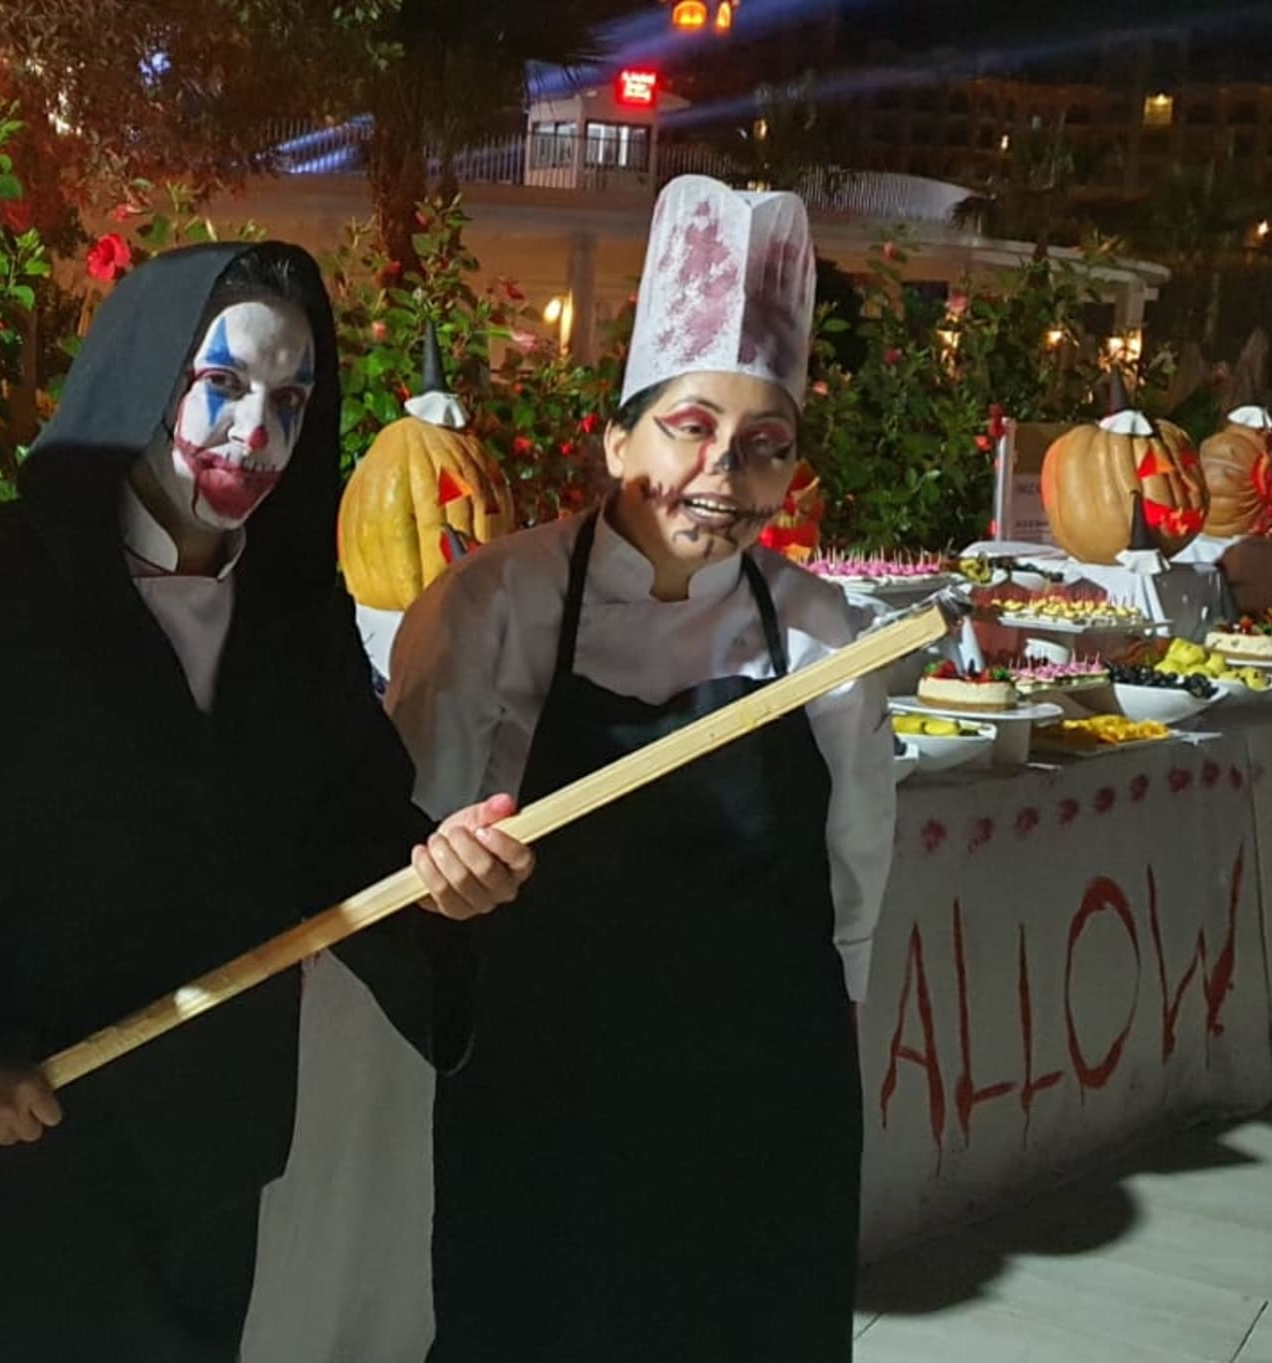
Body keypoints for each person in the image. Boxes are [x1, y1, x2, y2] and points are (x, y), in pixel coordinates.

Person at [0, 240, 534, 1362]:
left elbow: (349, 833)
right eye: (224, 385)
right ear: (146, 377)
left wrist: (438, 874)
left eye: (290, 401)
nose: (257, 434)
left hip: (198, 1152)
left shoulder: (293, 619)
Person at [389, 178, 892, 1359]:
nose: (723, 472)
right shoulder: (492, 606)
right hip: (548, 1096)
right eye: (690, 427)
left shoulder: (822, 635)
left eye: (765, 447)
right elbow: (410, 841)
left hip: (762, 1100)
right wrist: (441, 874)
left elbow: (854, 872)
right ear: (617, 438)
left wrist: (831, 1045)